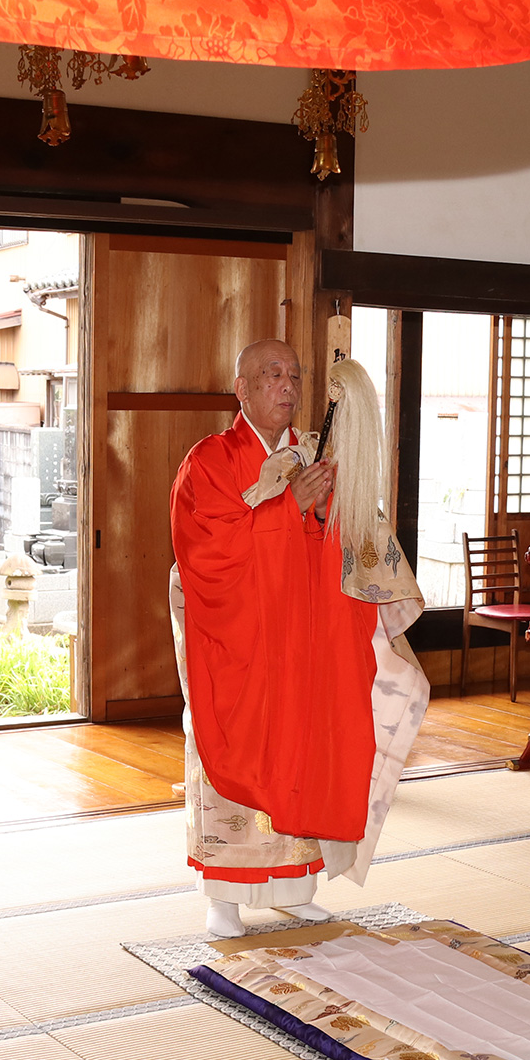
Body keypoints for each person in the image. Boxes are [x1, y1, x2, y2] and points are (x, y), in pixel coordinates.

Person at [170, 340, 430, 939]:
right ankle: (224, 896)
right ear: (241, 388)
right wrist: (287, 509)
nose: (285, 385)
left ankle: (293, 887)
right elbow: (207, 548)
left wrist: (330, 505)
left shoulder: (314, 453)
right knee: (231, 749)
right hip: (237, 636)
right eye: (270, 374)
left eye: (294, 374)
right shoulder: (209, 460)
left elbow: (351, 537)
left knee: (302, 750)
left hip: (304, 637)